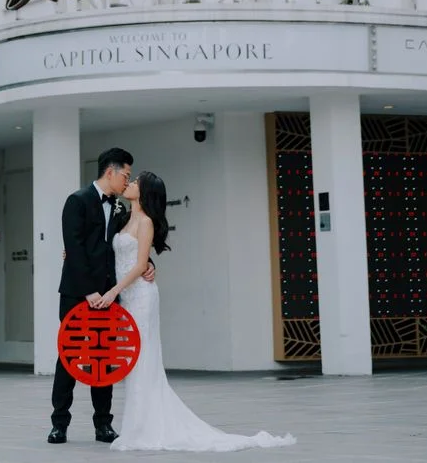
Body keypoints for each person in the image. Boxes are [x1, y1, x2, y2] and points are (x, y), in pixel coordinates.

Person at [98, 172, 296, 453]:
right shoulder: (123, 218)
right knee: (133, 359)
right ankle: (137, 425)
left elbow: (141, 264)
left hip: (139, 296)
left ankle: (143, 428)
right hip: (125, 298)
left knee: (143, 358)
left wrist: (115, 290)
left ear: (144, 193)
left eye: (135, 182)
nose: (129, 184)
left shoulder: (146, 222)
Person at [49, 146, 157, 445]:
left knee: (105, 357)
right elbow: (74, 247)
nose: (128, 180)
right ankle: (59, 423)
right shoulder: (77, 201)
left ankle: (103, 424)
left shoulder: (122, 207)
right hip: (76, 293)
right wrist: (88, 290)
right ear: (110, 171)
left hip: (110, 295)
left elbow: (129, 244)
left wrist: (148, 264)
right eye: (126, 174)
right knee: (69, 355)